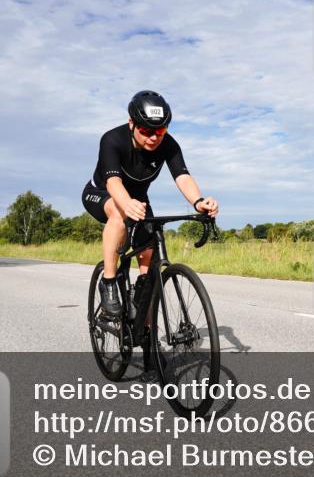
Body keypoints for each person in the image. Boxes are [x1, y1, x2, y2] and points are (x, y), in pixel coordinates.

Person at [82, 90, 218, 318]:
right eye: (146, 131)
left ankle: (144, 322)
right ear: (131, 123)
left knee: (149, 262)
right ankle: (109, 281)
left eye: (160, 131)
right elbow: (113, 182)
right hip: (102, 194)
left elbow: (182, 176)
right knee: (118, 212)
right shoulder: (112, 139)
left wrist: (198, 201)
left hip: (139, 201)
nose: (154, 138)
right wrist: (126, 204)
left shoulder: (168, 144)